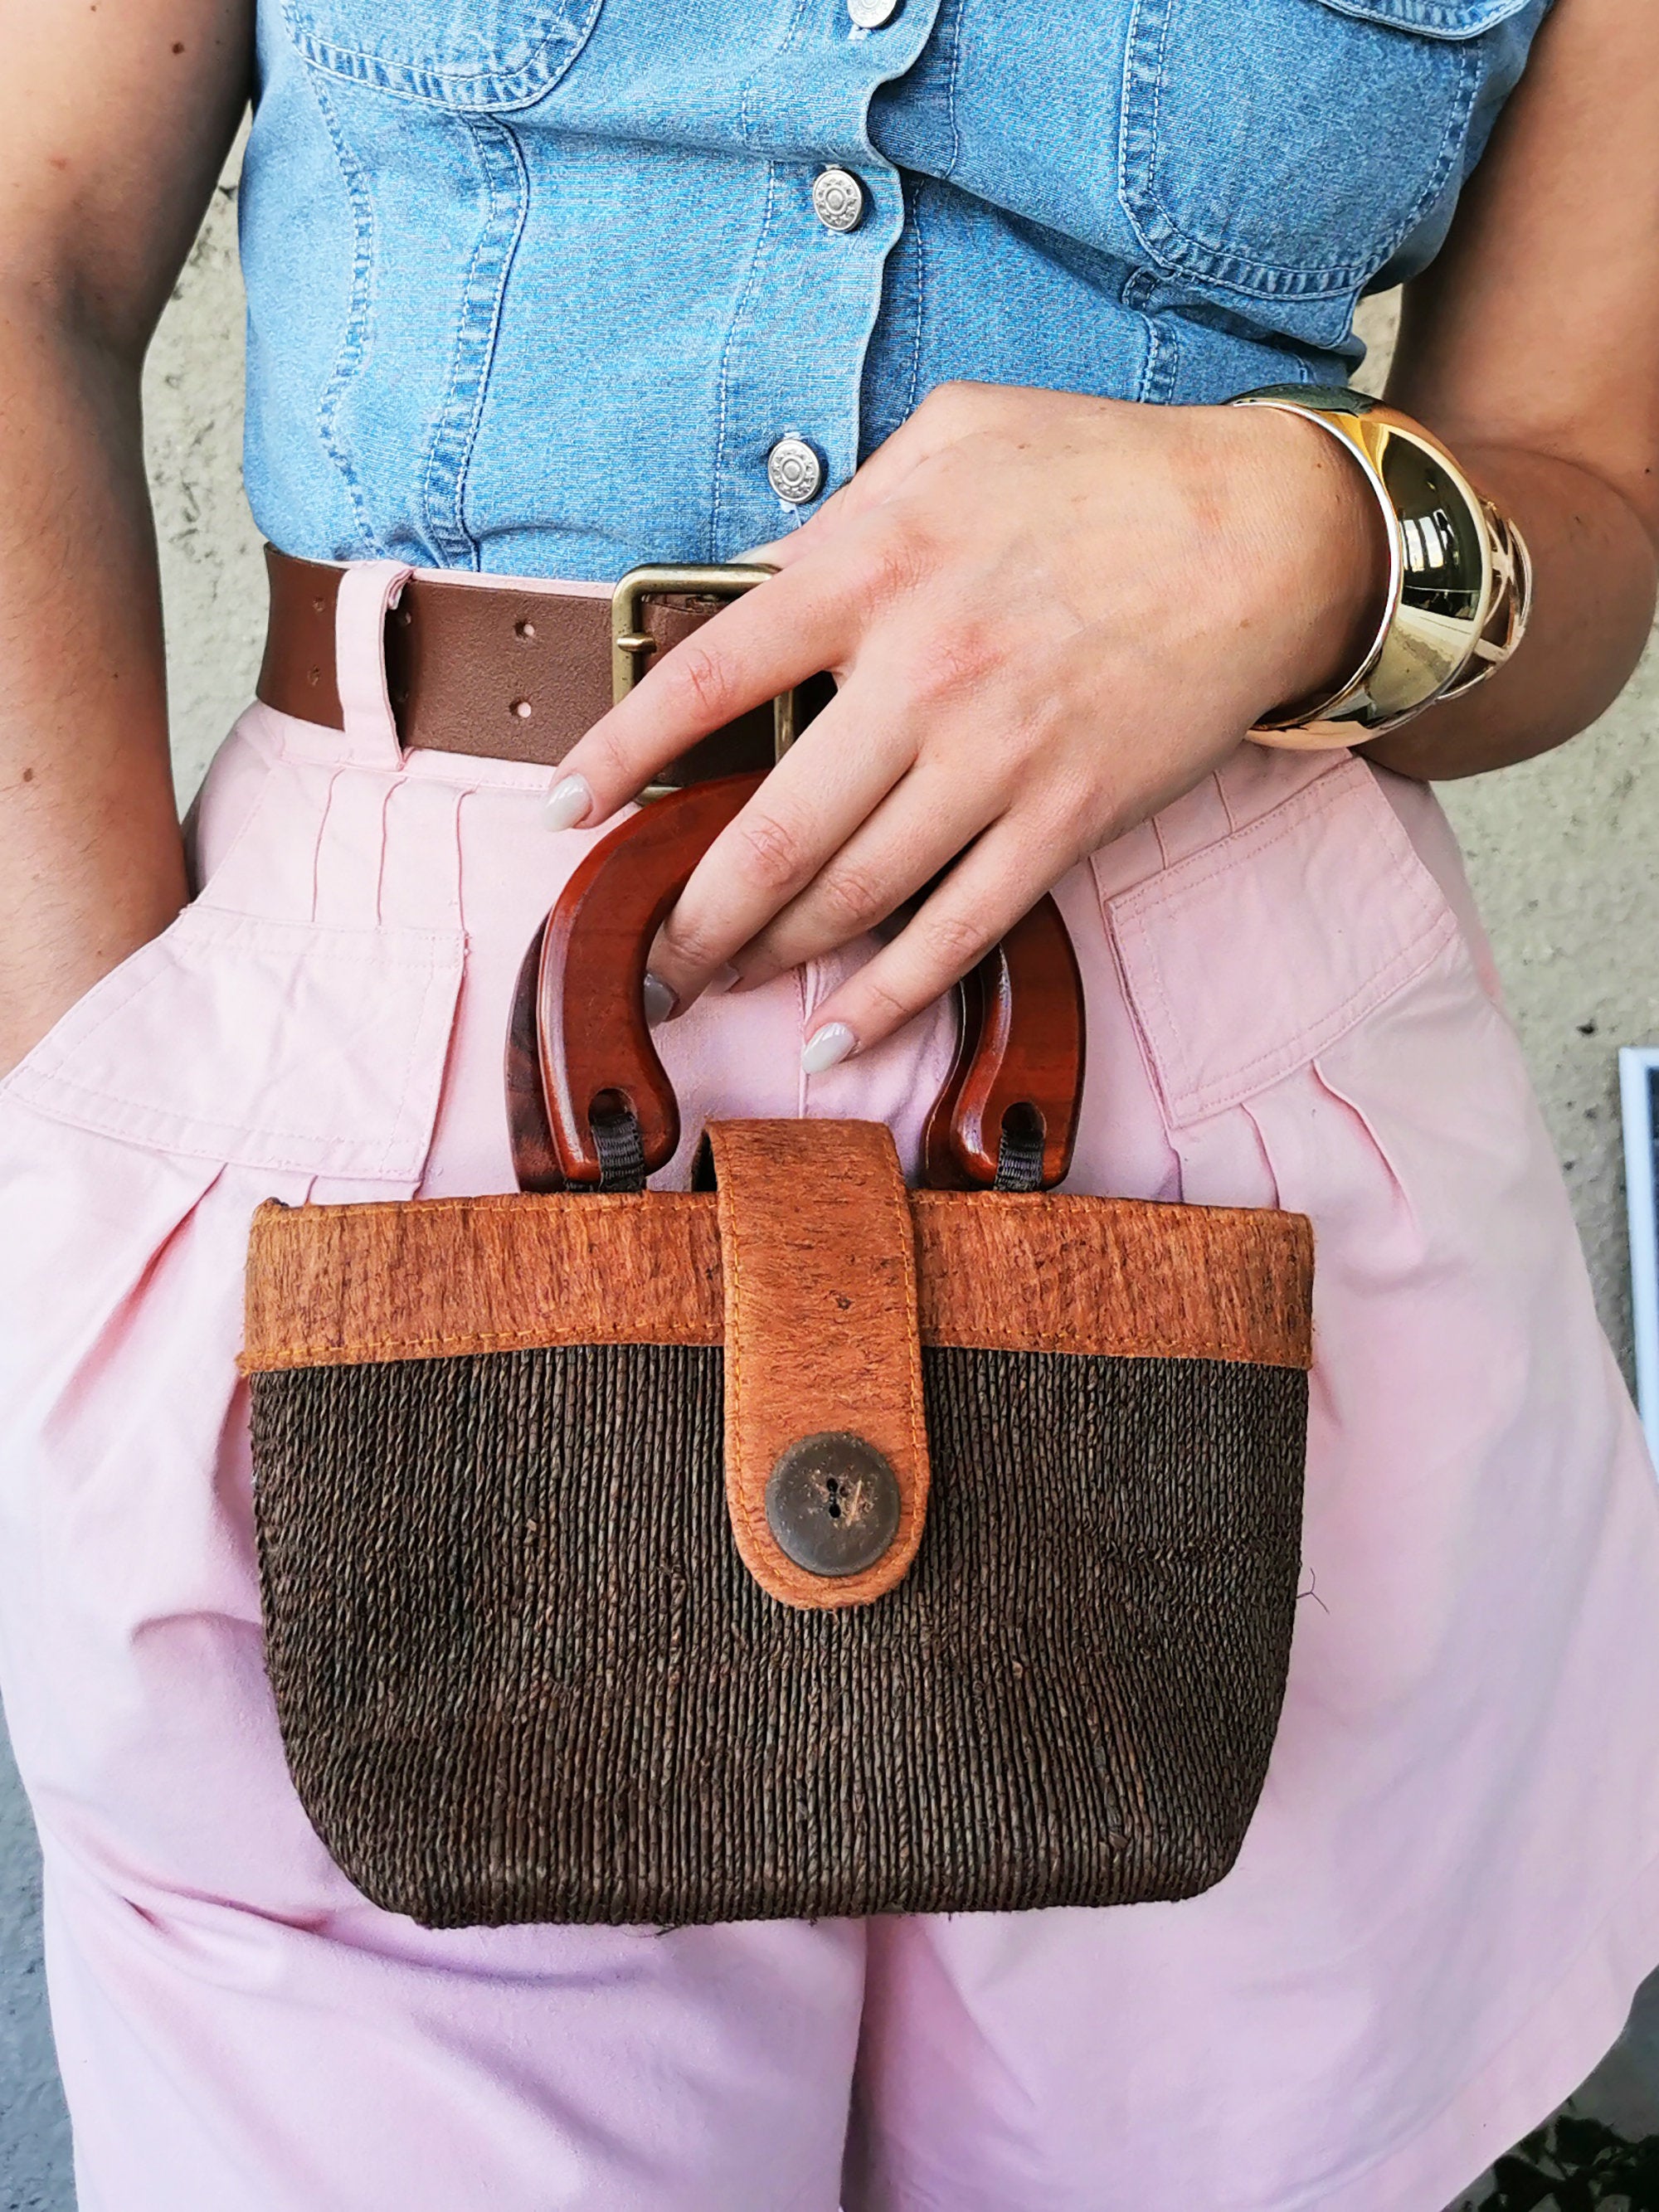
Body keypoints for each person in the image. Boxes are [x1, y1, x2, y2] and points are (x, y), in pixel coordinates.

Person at [2, 0, 1658, 2204]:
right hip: (370, 1149)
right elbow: (24, 243)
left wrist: (1311, 534)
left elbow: (1589, 487)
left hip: (1249, 1188)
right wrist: (81, 1098)